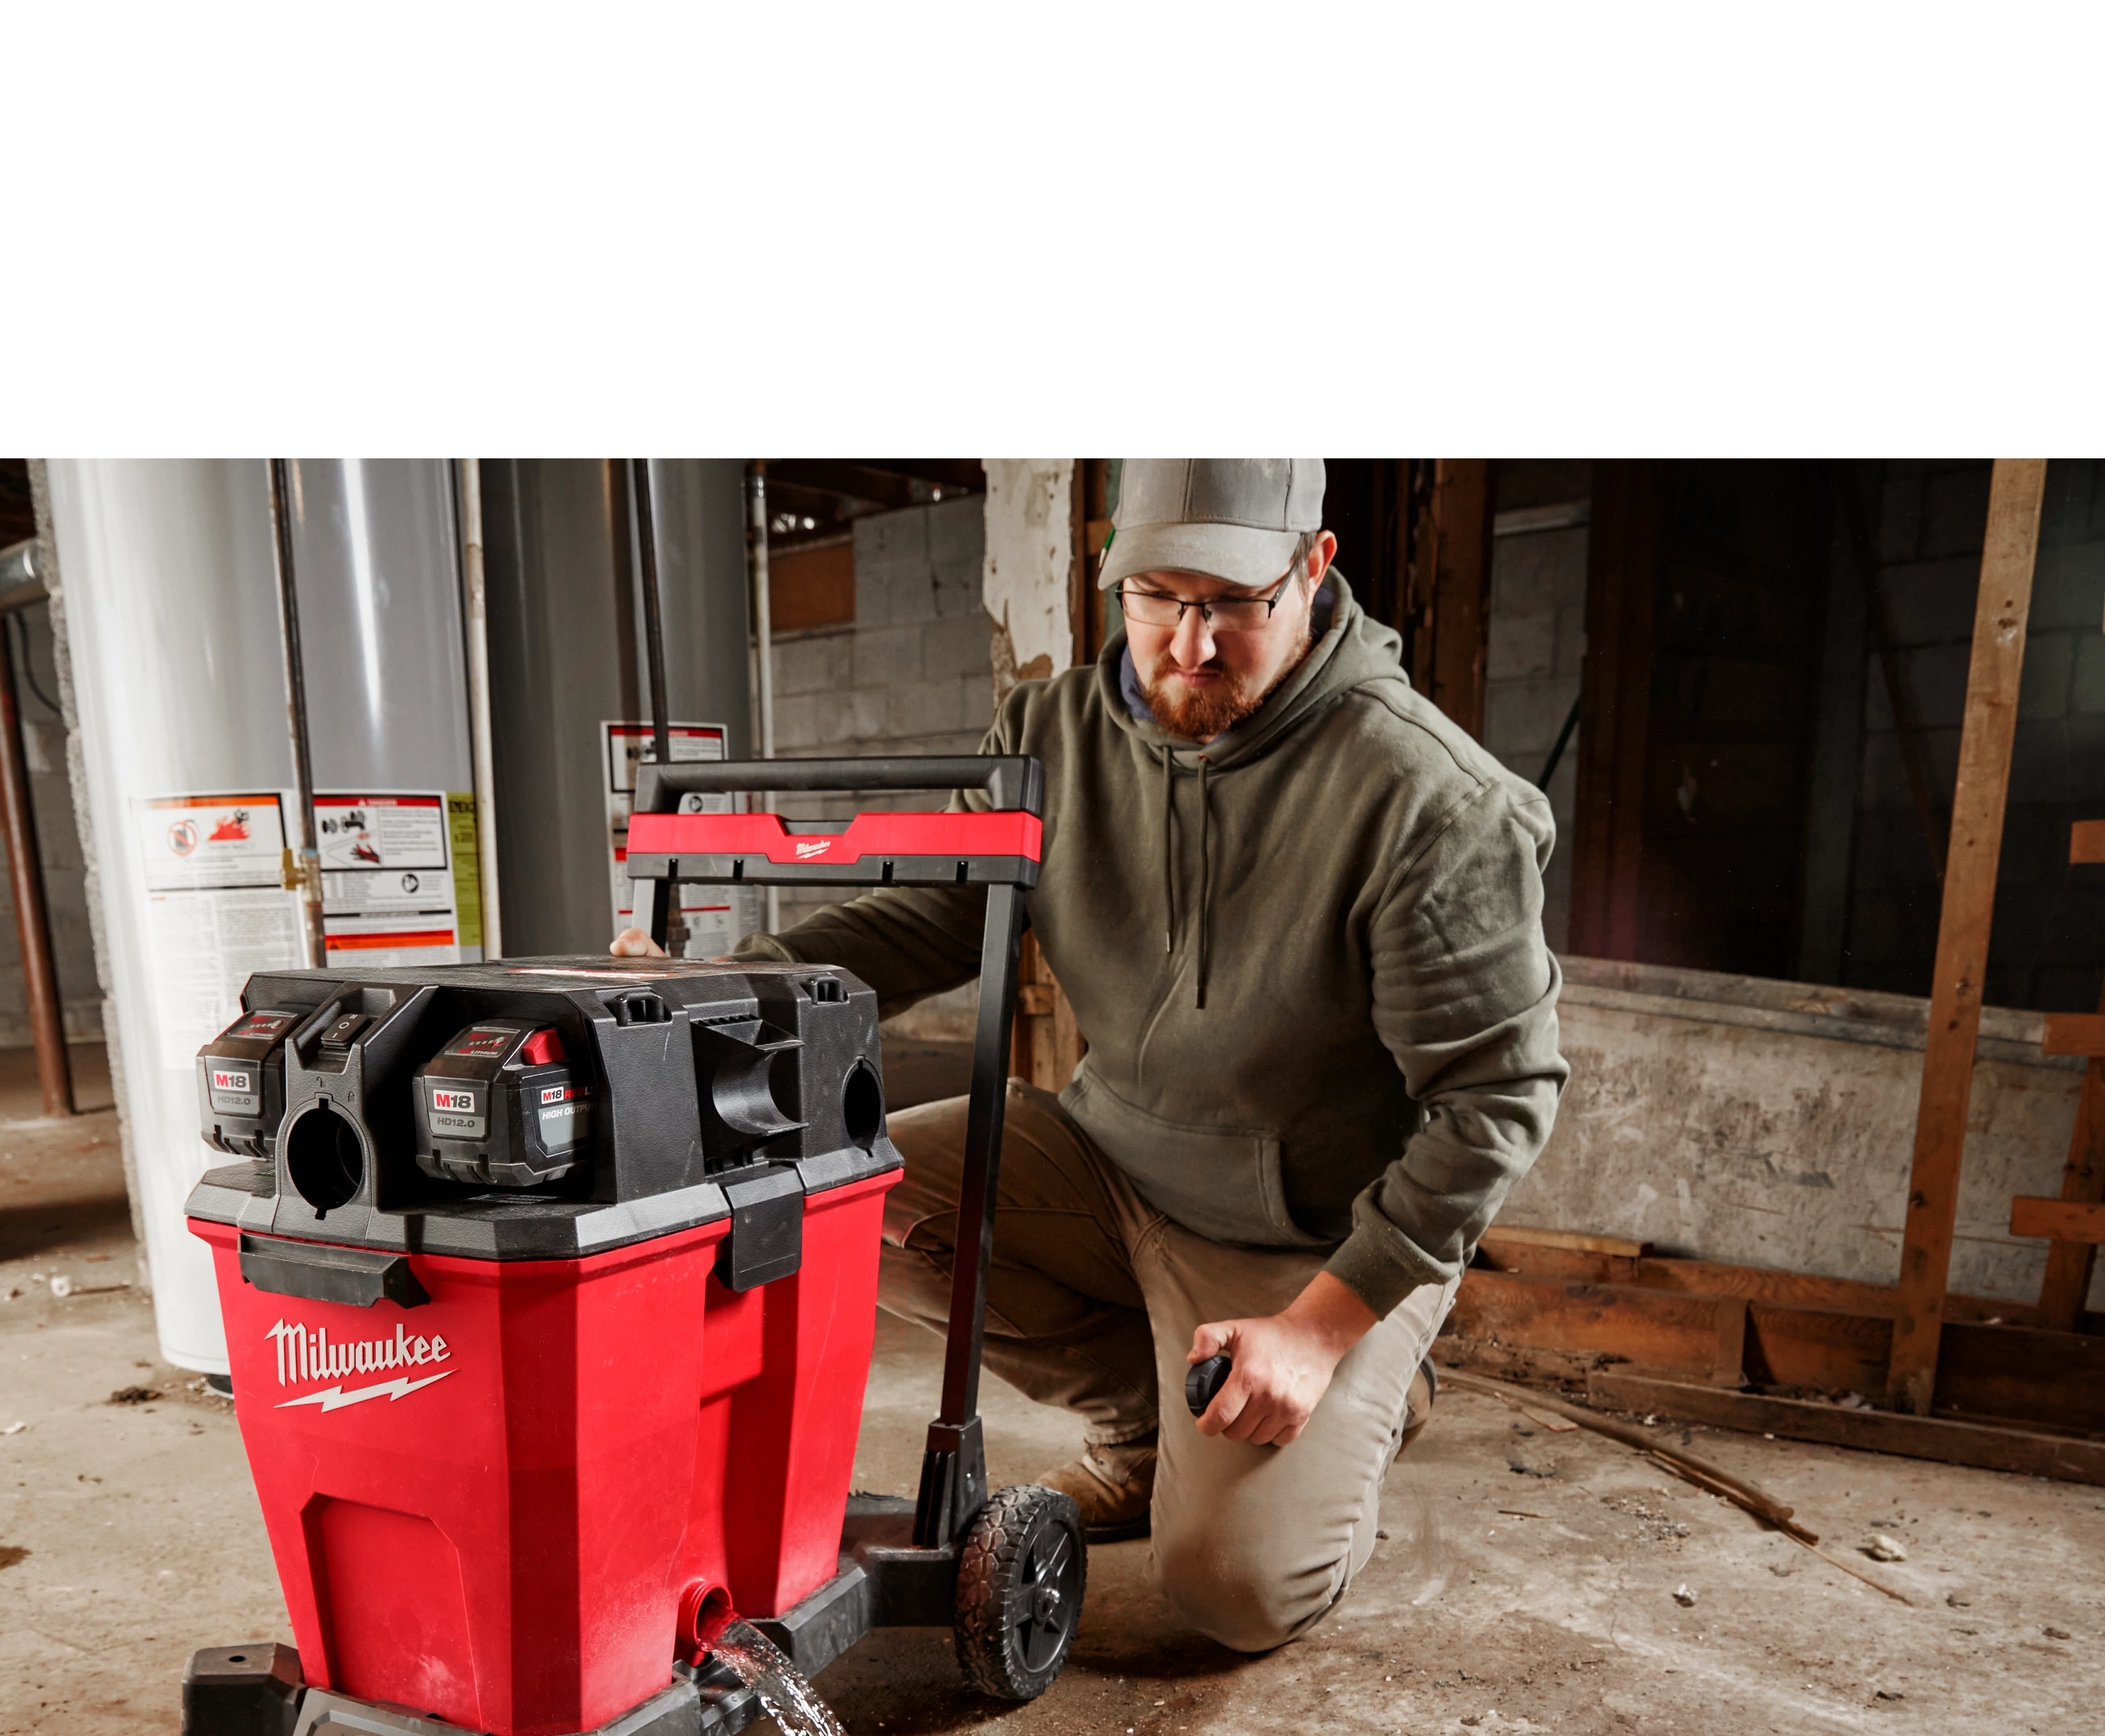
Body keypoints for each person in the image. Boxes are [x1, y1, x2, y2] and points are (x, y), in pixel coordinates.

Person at [625, 454, 1566, 1652]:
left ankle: (1368, 1374)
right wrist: (709, 992)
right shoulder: (1051, 733)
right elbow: (930, 917)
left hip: (1302, 1240)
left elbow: (1496, 1103)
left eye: (1232, 602)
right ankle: (1148, 1418)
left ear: (1314, 568)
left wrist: (1324, 1327)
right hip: (1110, 1159)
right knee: (846, 1198)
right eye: (1156, 598)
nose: (1190, 646)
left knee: (1229, 1591)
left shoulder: (1429, 801)